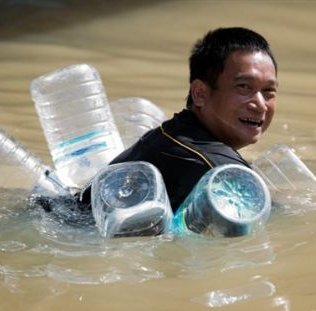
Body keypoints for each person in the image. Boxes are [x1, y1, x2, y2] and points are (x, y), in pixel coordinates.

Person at [36, 27, 278, 223]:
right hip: (69, 237)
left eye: (268, 91)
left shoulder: (174, 133)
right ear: (200, 93)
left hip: (57, 215)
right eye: (244, 87)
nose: (260, 105)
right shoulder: (216, 168)